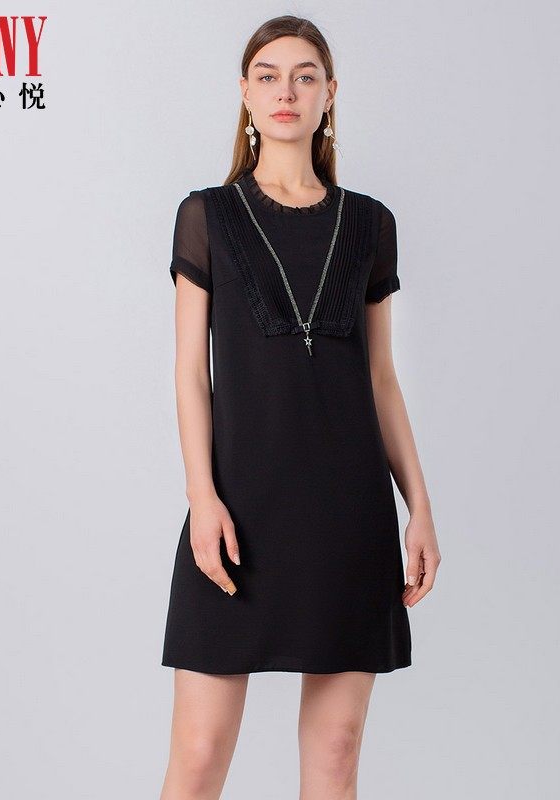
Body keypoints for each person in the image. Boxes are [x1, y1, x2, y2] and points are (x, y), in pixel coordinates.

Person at [159, 15, 441, 800]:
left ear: (329, 94)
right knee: (199, 753)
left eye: (305, 76)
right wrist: (202, 497)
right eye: (269, 76)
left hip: (347, 512)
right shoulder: (207, 217)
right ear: (246, 94)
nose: (286, 91)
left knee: (336, 754)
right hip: (236, 512)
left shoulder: (370, 224)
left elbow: (380, 378)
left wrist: (418, 506)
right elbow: (189, 375)